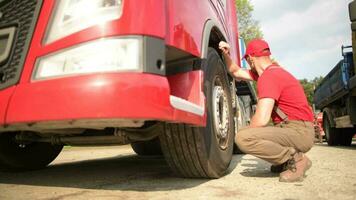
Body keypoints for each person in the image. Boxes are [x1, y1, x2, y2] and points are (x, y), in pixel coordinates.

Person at [219, 39, 314, 182]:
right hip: (297, 129)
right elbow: (236, 72)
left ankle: (296, 159)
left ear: (250, 58)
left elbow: (261, 120)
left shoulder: (269, 77)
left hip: (299, 132)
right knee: (246, 134)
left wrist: (246, 135)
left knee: (243, 138)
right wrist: (226, 55)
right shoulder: (271, 72)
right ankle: (284, 160)